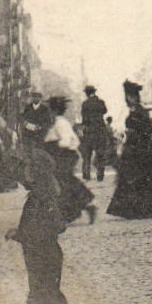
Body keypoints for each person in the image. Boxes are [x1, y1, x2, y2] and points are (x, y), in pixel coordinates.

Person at [107, 80, 152, 220]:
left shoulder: (139, 111)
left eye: (128, 97)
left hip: (139, 150)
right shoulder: (137, 111)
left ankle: (143, 209)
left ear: (133, 97)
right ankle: (142, 209)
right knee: (137, 180)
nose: (127, 100)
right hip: (136, 149)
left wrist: (133, 135)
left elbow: (147, 130)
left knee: (137, 180)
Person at [11, 141, 69, 304]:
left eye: (25, 169)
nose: (22, 174)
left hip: (41, 253)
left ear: (35, 173)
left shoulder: (39, 199)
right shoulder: (44, 195)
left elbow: (51, 225)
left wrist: (19, 234)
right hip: (45, 252)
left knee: (40, 294)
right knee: (45, 293)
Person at [43, 96, 96, 226]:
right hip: (63, 155)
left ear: (54, 110)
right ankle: (85, 205)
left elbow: (66, 141)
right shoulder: (59, 123)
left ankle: (80, 207)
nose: (49, 112)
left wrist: (56, 147)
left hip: (63, 155)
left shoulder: (60, 124)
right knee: (66, 181)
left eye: (50, 109)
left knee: (63, 182)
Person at [78, 86, 109, 182]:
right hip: (100, 131)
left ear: (87, 93)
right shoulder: (100, 102)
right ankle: (100, 175)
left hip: (89, 131)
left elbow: (83, 118)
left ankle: (86, 174)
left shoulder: (85, 104)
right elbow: (105, 111)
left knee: (87, 154)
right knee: (100, 154)